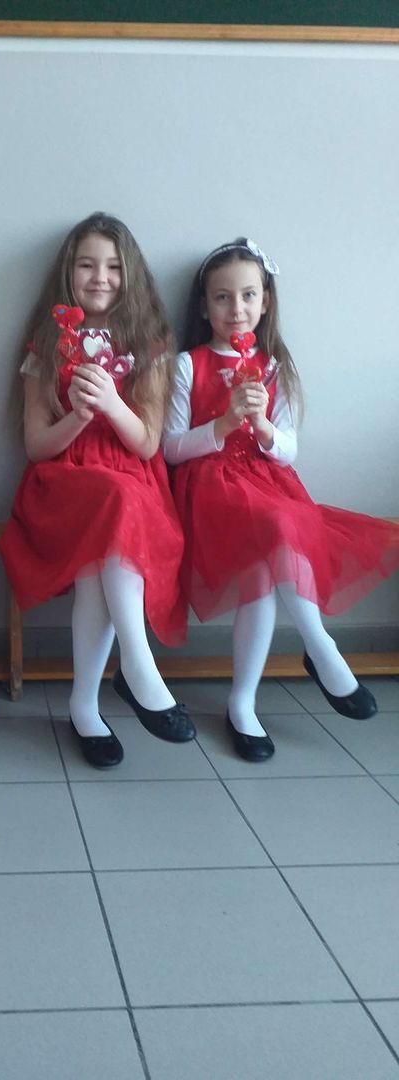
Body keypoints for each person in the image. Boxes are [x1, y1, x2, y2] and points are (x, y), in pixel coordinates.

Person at [163, 237, 399, 761]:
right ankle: (321, 647)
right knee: (274, 526)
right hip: (211, 489)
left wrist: (264, 426)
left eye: (248, 295)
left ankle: (242, 703)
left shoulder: (273, 366)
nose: (237, 308)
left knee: (267, 560)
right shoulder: (188, 365)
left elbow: (288, 449)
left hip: (267, 482)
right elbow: (172, 448)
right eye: (222, 297)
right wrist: (224, 423)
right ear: (203, 306)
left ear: (266, 300)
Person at [0, 212, 194, 769]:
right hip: (63, 481)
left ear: (130, 274)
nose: (100, 277)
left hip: (130, 479)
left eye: (113, 266)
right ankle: (137, 665)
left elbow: (148, 442)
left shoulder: (149, 344)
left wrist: (112, 403)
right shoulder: (48, 344)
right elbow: (36, 445)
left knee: (100, 567)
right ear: (69, 272)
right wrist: (80, 416)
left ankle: (85, 705)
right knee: (113, 506)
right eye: (87, 265)